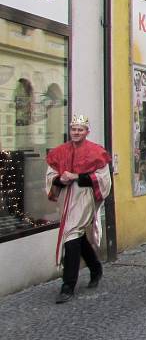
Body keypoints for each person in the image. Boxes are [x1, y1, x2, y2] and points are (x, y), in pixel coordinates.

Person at [45, 114, 112, 304]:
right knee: (76, 234)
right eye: (74, 129)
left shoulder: (96, 152)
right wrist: (60, 179)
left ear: (86, 131)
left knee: (72, 235)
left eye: (80, 129)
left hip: (84, 197)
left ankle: (68, 285)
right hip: (67, 197)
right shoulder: (60, 151)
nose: (76, 132)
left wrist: (77, 177)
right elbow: (51, 175)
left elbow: (103, 178)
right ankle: (95, 267)